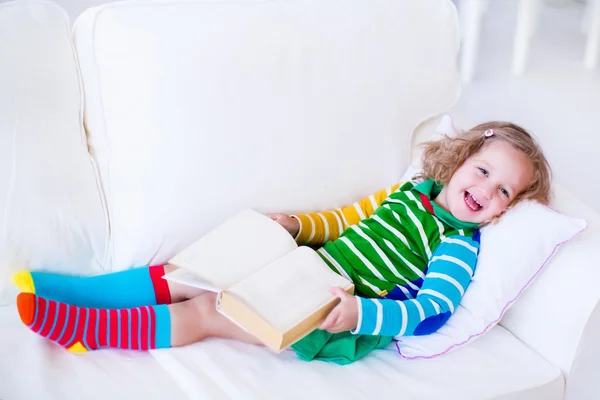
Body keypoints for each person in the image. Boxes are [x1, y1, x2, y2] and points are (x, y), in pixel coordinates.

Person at [12, 121, 551, 364]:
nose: (484, 190)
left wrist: (361, 313)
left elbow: (433, 310)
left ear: (509, 207)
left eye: (503, 190)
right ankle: (82, 293)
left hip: (329, 310)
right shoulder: (411, 192)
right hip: (303, 263)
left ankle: (89, 331)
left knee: (210, 308)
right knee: (190, 268)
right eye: (482, 171)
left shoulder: (458, 244)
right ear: (460, 161)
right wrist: (298, 227)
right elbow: (345, 221)